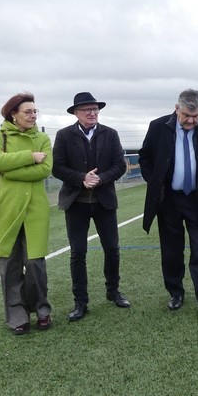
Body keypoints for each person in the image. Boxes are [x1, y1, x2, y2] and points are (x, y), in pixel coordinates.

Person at [139, 89, 198, 316]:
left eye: (196, 116)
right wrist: (154, 181)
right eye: (187, 115)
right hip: (169, 200)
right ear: (177, 108)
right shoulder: (158, 127)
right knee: (171, 251)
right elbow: (145, 157)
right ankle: (175, 293)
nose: (191, 121)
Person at [52, 92, 130, 322]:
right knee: (78, 253)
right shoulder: (64, 135)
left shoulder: (110, 134)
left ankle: (113, 292)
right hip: (76, 203)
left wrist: (101, 179)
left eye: (95, 109)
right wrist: (81, 178)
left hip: (104, 202)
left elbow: (120, 165)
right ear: (76, 113)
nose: (92, 113)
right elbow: (57, 167)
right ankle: (80, 301)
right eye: (87, 110)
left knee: (112, 249)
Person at [0, 92, 53, 334]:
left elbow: (45, 170)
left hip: (36, 211)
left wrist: (10, 169)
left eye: (35, 111)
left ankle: (42, 309)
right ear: (13, 114)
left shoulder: (42, 138)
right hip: (5, 211)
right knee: (10, 266)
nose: (33, 115)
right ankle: (17, 316)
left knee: (35, 265)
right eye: (28, 111)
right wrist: (29, 157)